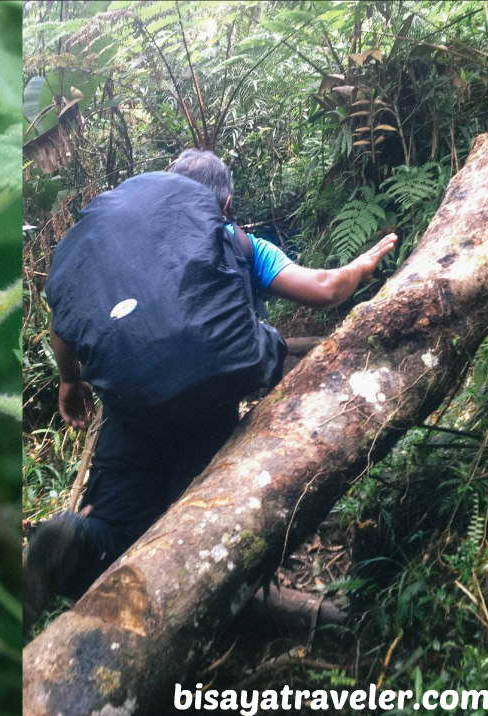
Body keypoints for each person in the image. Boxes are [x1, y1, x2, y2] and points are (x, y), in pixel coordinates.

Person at [23, 148, 398, 632]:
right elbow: (325, 288)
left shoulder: (115, 248)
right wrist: (363, 267)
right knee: (199, 520)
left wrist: (70, 378)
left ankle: (75, 541)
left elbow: (63, 315)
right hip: (207, 404)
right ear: (223, 205)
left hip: (128, 407)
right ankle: (235, 605)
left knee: (113, 528)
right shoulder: (239, 242)